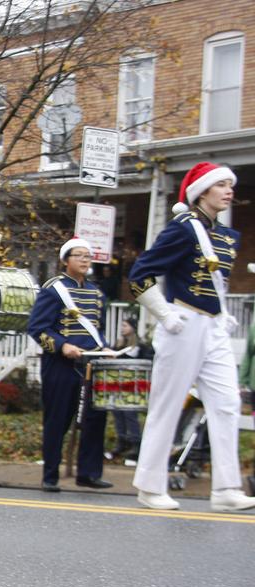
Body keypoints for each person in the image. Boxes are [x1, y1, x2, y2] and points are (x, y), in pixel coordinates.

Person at [129, 162, 255, 512]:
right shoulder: (182, 229)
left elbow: (216, 283)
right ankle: (150, 486)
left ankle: (226, 488)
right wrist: (165, 314)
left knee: (227, 402)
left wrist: (223, 312)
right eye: (222, 185)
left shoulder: (226, 236)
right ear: (202, 191)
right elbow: (140, 275)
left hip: (213, 327)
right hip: (182, 324)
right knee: (168, 406)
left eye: (231, 185)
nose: (230, 191)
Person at [28, 237, 112, 492]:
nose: (85, 260)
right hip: (60, 365)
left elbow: (98, 330)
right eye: (79, 255)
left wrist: (105, 347)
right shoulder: (54, 289)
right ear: (66, 260)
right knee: (58, 420)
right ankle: (50, 475)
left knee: (95, 419)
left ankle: (88, 473)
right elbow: (37, 328)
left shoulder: (97, 293)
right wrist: (62, 345)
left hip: (91, 363)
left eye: (88, 256)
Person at [110, 316, 150, 459]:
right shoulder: (118, 345)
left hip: (133, 386)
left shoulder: (140, 346)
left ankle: (135, 443)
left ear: (132, 328)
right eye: (122, 326)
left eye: (125, 326)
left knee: (129, 414)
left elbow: (147, 362)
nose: (122, 329)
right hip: (117, 384)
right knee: (117, 413)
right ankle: (122, 441)